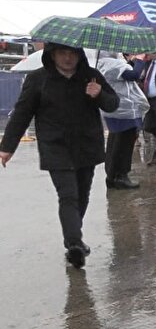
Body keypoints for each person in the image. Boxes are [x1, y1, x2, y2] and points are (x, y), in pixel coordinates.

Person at [0, 44, 119, 268]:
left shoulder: (91, 76)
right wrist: (8, 147)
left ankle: (74, 237)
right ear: (52, 55)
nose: (67, 58)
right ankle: (74, 244)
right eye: (62, 53)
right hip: (55, 147)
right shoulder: (38, 79)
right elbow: (22, 112)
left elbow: (113, 104)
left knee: (82, 195)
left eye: (72, 53)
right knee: (68, 195)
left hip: (86, 146)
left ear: (79, 55)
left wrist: (99, 94)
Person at [95, 51, 149, 190]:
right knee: (124, 144)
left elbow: (121, 75)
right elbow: (133, 75)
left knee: (115, 142)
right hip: (125, 110)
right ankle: (121, 176)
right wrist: (140, 60)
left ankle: (112, 176)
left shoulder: (100, 63)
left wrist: (131, 62)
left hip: (113, 110)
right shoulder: (112, 64)